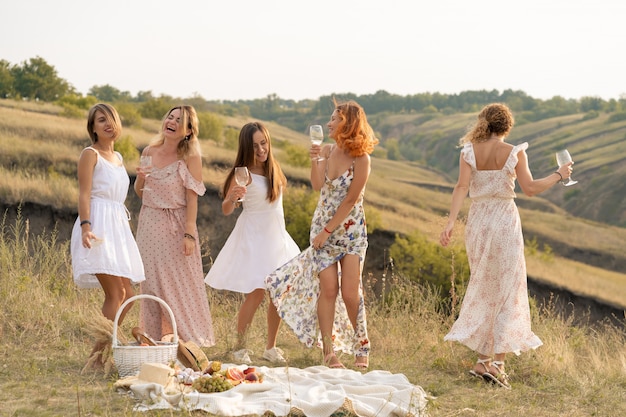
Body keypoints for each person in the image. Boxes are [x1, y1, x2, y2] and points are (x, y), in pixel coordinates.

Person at [439, 102, 573, 389]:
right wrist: (560, 175)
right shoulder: (515, 152)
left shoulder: (468, 152)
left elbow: (461, 187)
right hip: (503, 221)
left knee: (485, 287)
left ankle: (481, 360)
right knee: (508, 289)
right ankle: (497, 364)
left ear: (483, 123)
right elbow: (531, 188)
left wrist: (450, 223)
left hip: (477, 221)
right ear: (507, 126)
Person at [266, 99, 378, 369]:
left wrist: (328, 232)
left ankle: (361, 346)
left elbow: (351, 200)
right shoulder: (327, 150)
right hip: (322, 229)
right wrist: (316, 160)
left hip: (350, 232)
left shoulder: (362, 158)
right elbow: (318, 185)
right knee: (328, 289)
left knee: (351, 292)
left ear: (348, 123)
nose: (329, 123)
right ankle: (329, 353)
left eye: (334, 119)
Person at [205, 122, 300, 364]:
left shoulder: (274, 169)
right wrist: (232, 197)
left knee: (278, 294)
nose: (260, 149)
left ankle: (271, 348)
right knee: (256, 293)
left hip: (276, 237)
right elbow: (227, 209)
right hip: (255, 237)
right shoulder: (242, 174)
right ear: (246, 147)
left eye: (264, 143)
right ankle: (239, 348)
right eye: (255, 145)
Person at [70, 103, 145, 368]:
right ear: (93, 128)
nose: (108, 123)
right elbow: (83, 193)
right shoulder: (90, 154)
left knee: (128, 293)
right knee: (115, 294)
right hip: (98, 224)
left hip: (117, 226)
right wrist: (86, 226)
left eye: (111, 118)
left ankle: (101, 353)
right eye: (101, 120)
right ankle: (96, 358)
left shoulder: (120, 158)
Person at [134, 105, 215, 348]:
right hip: (149, 224)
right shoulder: (149, 151)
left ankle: (189, 342)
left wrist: (189, 233)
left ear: (189, 131)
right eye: (170, 117)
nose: (172, 121)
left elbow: (192, 199)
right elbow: (141, 193)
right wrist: (139, 177)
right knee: (151, 284)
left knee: (180, 285)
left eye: (180, 120)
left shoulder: (191, 158)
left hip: (177, 226)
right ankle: (155, 340)